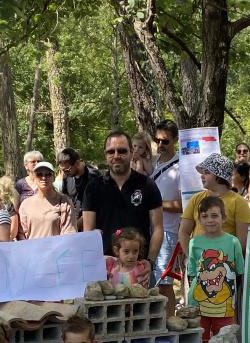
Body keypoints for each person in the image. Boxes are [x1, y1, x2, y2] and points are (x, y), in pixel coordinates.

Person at [186, 195, 245, 343]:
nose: (210, 220)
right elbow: (192, 274)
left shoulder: (233, 242)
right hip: (200, 307)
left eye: (214, 215)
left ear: (224, 218)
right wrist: (192, 305)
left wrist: (236, 306)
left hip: (226, 308)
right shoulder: (194, 243)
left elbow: (240, 275)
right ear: (199, 220)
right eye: (205, 216)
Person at [81, 131, 163, 260]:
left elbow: (157, 228)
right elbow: (88, 232)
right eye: (110, 152)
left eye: (122, 151)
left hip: (139, 266)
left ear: (131, 152)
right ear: (105, 155)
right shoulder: (93, 187)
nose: (116, 155)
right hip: (104, 266)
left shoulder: (147, 185)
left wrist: (150, 262)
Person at [179, 154, 250, 248]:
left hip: (225, 260)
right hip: (198, 260)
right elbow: (184, 232)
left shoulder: (239, 202)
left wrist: (225, 261)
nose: (202, 176)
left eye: (206, 172)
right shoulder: (196, 198)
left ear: (219, 175)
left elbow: (242, 241)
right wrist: (191, 257)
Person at [148, 121, 182, 312]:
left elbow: (185, 205)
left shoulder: (181, 166)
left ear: (175, 140)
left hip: (168, 230)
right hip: (148, 229)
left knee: (164, 281)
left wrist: (158, 205)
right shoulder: (152, 163)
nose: (160, 145)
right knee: (148, 280)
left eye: (165, 141)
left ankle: (170, 322)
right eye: (157, 140)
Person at [16, 161, 76, 239]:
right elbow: (21, 234)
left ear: (53, 178)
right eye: (39, 174)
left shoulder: (65, 202)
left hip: (57, 250)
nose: (43, 177)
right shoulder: (25, 204)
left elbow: (69, 232)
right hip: (32, 250)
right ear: (34, 178)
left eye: (48, 174)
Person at [55, 148, 100, 226]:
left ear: (77, 163)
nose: (65, 173)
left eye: (67, 170)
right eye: (62, 170)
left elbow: (95, 208)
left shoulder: (93, 177)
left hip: (91, 224)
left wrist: (74, 225)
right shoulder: (68, 176)